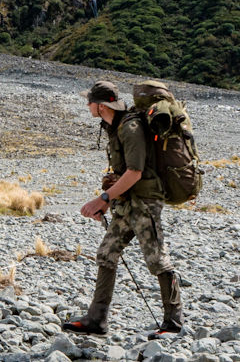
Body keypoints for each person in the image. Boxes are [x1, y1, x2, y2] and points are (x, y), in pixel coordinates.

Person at [61, 81, 182, 336]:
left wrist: (102, 199)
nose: (87, 106)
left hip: (145, 203)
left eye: (90, 101)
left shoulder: (131, 128)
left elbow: (135, 172)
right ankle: (97, 320)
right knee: (107, 254)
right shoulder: (114, 126)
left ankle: (173, 323)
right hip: (128, 203)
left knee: (157, 260)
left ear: (101, 105)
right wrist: (111, 200)